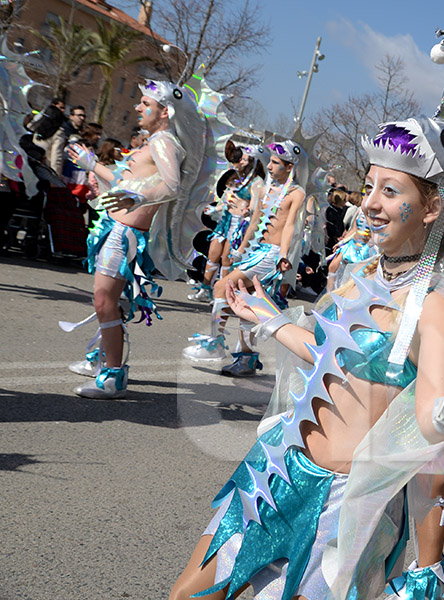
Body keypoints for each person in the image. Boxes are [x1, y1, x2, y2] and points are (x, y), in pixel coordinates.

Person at [169, 47, 444, 595]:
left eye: (391, 191)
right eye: (369, 188)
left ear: (432, 208)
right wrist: (262, 312)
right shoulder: (357, 272)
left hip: (345, 507)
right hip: (277, 471)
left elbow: (431, 415)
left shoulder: (436, 299)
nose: (371, 204)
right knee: (188, 594)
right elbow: (323, 351)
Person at [64, 78, 224, 398]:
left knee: (105, 301)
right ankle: (105, 363)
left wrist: (139, 199)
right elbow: (125, 180)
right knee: (110, 303)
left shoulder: (165, 141)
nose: (137, 107)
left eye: (145, 104)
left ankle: (112, 374)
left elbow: (171, 185)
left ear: (165, 112)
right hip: (116, 229)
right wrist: (91, 163)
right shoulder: (152, 142)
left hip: (128, 235)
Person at [182, 138, 312, 376]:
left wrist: (283, 255)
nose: (270, 167)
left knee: (222, 286)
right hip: (255, 251)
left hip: (271, 254)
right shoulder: (263, 189)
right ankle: (246, 359)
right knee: (245, 301)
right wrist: (240, 249)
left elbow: (290, 226)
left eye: (275, 163)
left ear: (289, 167)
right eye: (270, 162)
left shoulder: (297, 193)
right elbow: (253, 223)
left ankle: (215, 343)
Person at [187, 144, 268, 303]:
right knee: (212, 254)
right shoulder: (235, 177)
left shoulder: (257, 182)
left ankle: (224, 294)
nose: (242, 162)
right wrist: (213, 210)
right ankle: (205, 289)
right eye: (242, 159)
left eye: (245, 159)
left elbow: (256, 205)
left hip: (238, 224)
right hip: (224, 221)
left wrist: (248, 212)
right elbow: (225, 198)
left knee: (226, 259)